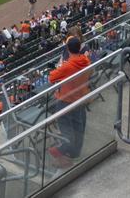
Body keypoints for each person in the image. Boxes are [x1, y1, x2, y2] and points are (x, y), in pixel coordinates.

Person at [48, 37, 91, 167]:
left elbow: (51, 77)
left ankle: (59, 151)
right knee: (78, 128)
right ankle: (73, 154)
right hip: (80, 99)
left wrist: (62, 67)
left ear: (67, 49)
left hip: (65, 101)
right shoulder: (86, 61)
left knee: (67, 132)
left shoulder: (67, 66)